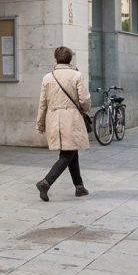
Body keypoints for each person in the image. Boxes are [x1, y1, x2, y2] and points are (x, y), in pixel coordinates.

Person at [35, 46, 91, 202]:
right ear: (70, 59)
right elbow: (84, 100)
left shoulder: (47, 78)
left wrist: (40, 123)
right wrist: (86, 109)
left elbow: (42, 103)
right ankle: (46, 183)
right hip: (71, 119)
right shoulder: (76, 75)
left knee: (71, 150)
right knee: (67, 153)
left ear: (55, 59)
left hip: (54, 119)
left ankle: (79, 187)